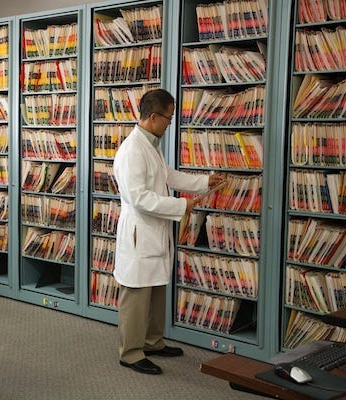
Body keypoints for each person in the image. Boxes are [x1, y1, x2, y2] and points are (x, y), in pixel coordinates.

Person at [113, 88, 224, 375]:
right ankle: (131, 352)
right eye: (168, 118)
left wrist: (204, 181)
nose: (170, 123)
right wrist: (181, 205)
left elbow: (168, 176)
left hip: (155, 231)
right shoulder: (131, 150)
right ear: (153, 117)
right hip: (140, 233)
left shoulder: (151, 146)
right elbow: (139, 198)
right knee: (136, 296)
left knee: (156, 291)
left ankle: (152, 342)